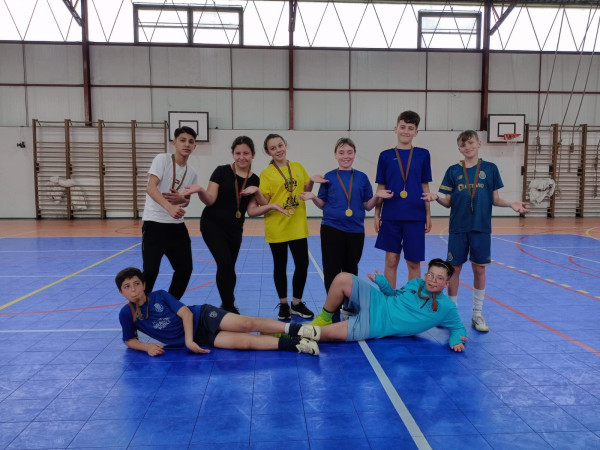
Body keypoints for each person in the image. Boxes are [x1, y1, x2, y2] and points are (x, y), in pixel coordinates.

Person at [422, 130, 530, 332]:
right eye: (463, 145)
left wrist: (511, 204)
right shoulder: (453, 171)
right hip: (458, 228)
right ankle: (452, 314)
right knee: (454, 269)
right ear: (459, 149)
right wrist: (436, 197)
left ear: (479, 144)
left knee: (479, 269)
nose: (468, 147)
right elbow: (448, 202)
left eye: (471, 143)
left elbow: (495, 199)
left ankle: (477, 314)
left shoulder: (490, 169)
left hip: (481, 227)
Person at [181, 136, 287, 314]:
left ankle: (228, 301)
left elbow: (253, 210)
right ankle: (228, 305)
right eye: (238, 153)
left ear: (253, 155)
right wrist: (200, 190)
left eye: (246, 153)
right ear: (233, 154)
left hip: (235, 229)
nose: (242, 157)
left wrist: (259, 192)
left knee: (229, 267)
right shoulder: (221, 171)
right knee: (225, 264)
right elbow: (210, 199)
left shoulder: (255, 180)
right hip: (212, 225)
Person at [116, 267, 320, 357]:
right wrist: (146, 347)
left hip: (202, 317)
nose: (133, 289)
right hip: (200, 338)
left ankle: (298, 330)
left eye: (136, 283)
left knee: (246, 324)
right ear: (121, 292)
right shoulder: (126, 314)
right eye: (127, 286)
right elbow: (129, 340)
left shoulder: (160, 295)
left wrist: (188, 341)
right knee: (245, 343)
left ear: (144, 285)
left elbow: (186, 313)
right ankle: (298, 345)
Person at [310, 258, 467, 351]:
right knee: (342, 278)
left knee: (320, 334)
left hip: (376, 324)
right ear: (426, 275)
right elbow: (394, 295)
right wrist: (383, 283)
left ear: (446, 283)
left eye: (439, 278)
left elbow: (458, 327)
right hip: (377, 301)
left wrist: (456, 340)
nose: (433, 280)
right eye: (431, 275)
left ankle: (301, 333)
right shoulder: (415, 283)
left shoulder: (446, 307)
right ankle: (324, 318)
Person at [300, 137, 392, 294]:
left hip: (355, 231)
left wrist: (377, 196)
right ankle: (333, 306)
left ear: (355, 154)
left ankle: (349, 303)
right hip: (331, 228)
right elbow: (322, 204)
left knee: (351, 270)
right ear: (335, 155)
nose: (345, 156)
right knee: (331, 269)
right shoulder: (328, 177)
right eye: (341, 152)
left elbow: (368, 206)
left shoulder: (362, 177)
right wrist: (314, 197)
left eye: (349, 152)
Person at [257, 134, 316, 321]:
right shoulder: (266, 174)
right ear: (268, 152)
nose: (278, 150)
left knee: (302, 264)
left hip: (297, 225)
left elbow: (306, 190)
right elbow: (264, 202)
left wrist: (312, 180)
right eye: (273, 148)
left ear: (286, 145)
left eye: (280, 145)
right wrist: (256, 191)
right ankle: (283, 304)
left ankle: (296, 303)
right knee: (280, 266)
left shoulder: (297, 166)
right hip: (277, 226)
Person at [374, 110, 433, 288]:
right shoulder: (385, 156)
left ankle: (411, 300)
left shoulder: (423, 154)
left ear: (416, 132)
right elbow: (381, 187)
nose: (406, 131)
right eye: (403, 127)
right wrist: (377, 214)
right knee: (391, 260)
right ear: (396, 129)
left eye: (410, 128)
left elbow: (425, 186)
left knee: (413, 263)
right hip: (391, 215)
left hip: (415, 215)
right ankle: (390, 300)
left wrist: (428, 214)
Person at [141, 126, 198, 300]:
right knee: (150, 271)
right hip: (154, 224)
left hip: (176, 226)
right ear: (174, 142)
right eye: (182, 140)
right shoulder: (162, 159)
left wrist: (181, 200)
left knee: (185, 269)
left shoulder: (192, 172)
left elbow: (186, 200)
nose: (186, 144)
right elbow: (151, 187)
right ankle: (141, 309)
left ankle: (170, 304)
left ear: (195, 146)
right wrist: (169, 207)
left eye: (191, 141)